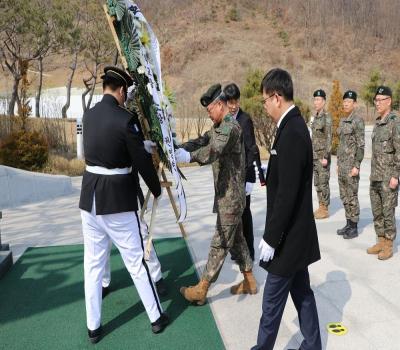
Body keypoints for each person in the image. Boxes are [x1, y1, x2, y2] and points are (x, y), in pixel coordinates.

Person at [79, 66, 169, 344]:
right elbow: (140, 161)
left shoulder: (88, 114)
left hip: (89, 198)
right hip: (117, 199)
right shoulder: (125, 119)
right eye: (125, 93)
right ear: (120, 90)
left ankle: (93, 327)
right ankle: (156, 317)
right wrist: (155, 188)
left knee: (92, 266)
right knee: (136, 261)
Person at [252, 68, 321, 350]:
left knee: (271, 304)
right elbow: (289, 177)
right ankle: (313, 345)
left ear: (277, 97)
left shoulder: (292, 130)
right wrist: (273, 169)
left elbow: (288, 196)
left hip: (288, 237)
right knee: (302, 293)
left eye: (265, 100)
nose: (265, 105)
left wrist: (271, 237)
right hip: (296, 233)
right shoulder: (291, 126)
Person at [175, 83, 257, 305]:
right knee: (238, 240)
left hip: (231, 197)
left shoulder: (231, 127)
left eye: (210, 110)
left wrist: (188, 158)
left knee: (220, 241)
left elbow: (214, 150)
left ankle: (202, 288)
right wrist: (178, 148)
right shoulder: (219, 126)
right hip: (227, 196)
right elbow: (203, 140)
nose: (209, 115)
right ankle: (250, 280)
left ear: (219, 105)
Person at [223, 82, 259, 261]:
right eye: (229, 102)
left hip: (243, 176)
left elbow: (252, 148)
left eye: (235, 101)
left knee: (245, 215)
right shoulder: (224, 119)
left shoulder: (245, 119)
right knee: (233, 216)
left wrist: (250, 177)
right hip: (229, 177)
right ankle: (237, 251)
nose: (232, 106)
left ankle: (249, 252)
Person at [367, 86, 400, 260]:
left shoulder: (395, 122)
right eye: (376, 100)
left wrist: (396, 175)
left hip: (388, 177)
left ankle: (388, 245)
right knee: (377, 211)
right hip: (375, 176)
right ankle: (380, 240)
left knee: (388, 212)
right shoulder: (378, 123)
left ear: (389, 101)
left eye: (381, 100)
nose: (377, 103)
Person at [336, 90, 365, 239]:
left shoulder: (358, 121)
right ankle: (348, 223)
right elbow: (341, 145)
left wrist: (357, 166)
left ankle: (354, 226)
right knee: (344, 196)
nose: (346, 104)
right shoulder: (342, 121)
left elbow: (360, 146)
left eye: (349, 102)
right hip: (342, 166)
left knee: (352, 196)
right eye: (344, 101)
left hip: (352, 167)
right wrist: (338, 164)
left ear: (354, 104)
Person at [310, 89, 332, 219]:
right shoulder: (314, 117)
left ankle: (325, 208)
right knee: (317, 182)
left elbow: (329, 137)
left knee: (323, 182)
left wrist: (325, 157)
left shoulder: (326, 117)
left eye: (318, 99)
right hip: (314, 156)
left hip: (322, 156)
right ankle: (320, 205)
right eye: (315, 99)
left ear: (324, 101)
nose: (316, 102)